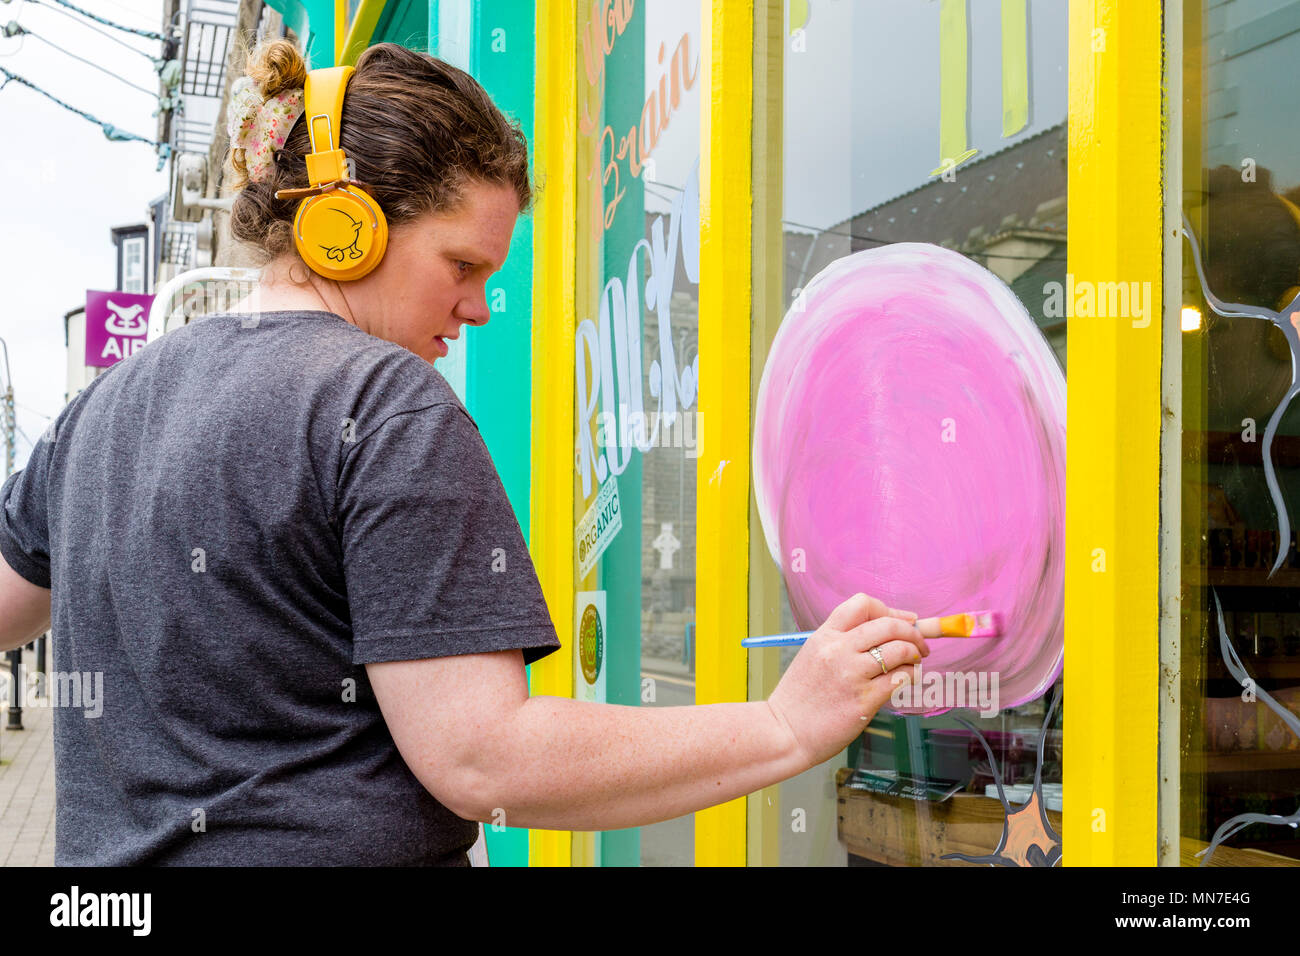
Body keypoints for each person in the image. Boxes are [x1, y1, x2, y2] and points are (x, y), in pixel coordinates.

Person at [0, 39, 928, 866]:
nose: (480, 307)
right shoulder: (382, 402)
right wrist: (783, 725)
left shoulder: (99, 414)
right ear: (345, 230)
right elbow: (484, 759)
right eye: (463, 266)